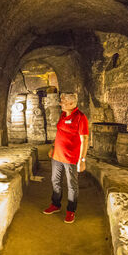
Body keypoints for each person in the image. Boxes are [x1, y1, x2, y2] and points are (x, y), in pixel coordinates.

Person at [43, 92, 89, 223]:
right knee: (55, 181)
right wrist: (53, 147)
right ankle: (55, 204)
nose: (60, 103)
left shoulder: (81, 117)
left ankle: (71, 211)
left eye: (62, 101)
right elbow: (60, 132)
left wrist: (82, 160)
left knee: (71, 185)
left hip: (71, 157)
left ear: (71, 104)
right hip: (57, 155)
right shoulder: (63, 114)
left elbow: (84, 139)